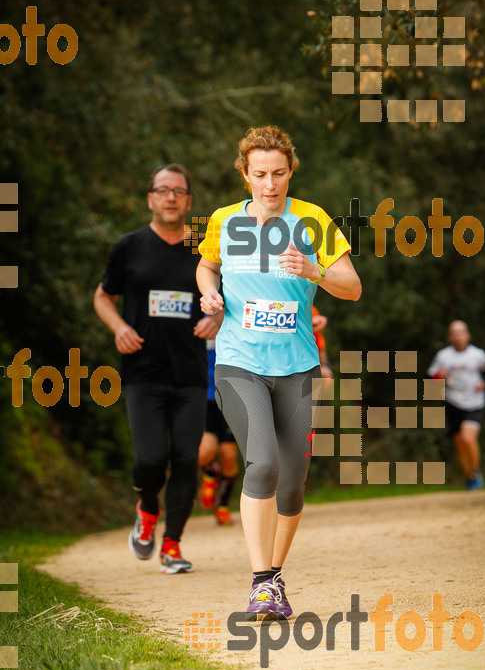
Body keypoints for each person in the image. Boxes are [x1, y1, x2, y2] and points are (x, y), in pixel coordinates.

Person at [196, 125, 361, 620]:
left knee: (291, 484)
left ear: (291, 172)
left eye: (280, 174)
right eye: (260, 175)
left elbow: (352, 287)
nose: (271, 185)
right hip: (239, 362)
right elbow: (207, 266)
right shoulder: (224, 221)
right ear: (244, 175)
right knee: (262, 463)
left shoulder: (313, 220)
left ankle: (274, 577)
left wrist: (315, 271)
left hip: (298, 367)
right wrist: (208, 291)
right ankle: (262, 582)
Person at [94, 163, 221, 573]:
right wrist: (119, 327)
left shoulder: (205, 250)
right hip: (143, 372)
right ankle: (148, 509)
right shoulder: (129, 246)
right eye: (163, 190)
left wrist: (217, 319)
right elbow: (102, 296)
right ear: (150, 198)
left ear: (188, 201)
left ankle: (172, 546)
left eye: (178, 191)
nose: (170, 197)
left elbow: (228, 298)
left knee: (186, 459)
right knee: (150, 459)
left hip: (190, 372)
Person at [428, 320, 485, 489]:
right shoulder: (443, 356)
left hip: (474, 402)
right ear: (450, 336)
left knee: (468, 438)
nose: (457, 335)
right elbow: (431, 379)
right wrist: (439, 377)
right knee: (460, 443)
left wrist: (482, 382)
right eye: (454, 332)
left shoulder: (478, 355)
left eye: (460, 332)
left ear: (467, 335)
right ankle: (470, 478)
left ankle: (475, 472)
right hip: (453, 402)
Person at [198, 335, 239, 525]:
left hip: (230, 394)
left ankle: (222, 505)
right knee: (204, 452)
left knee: (228, 455)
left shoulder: (232, 311)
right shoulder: (195, 315)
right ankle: (210, 472)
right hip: (201, 395)